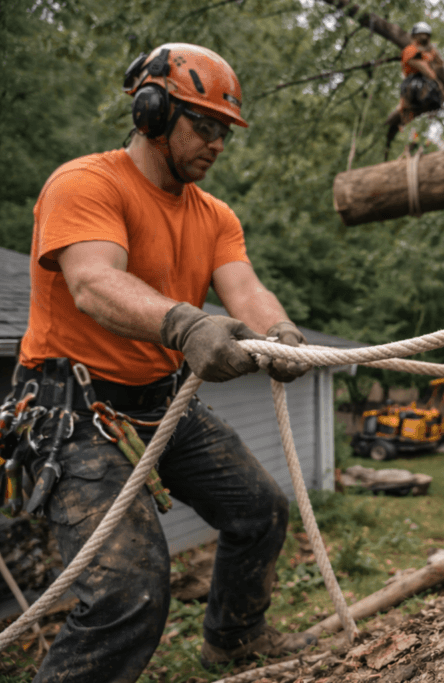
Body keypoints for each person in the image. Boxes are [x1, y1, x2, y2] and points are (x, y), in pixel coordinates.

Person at [10, 43, 317, 682]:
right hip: (76, 412)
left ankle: (234, 640)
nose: (217, 144)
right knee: (130, 591)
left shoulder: (214, 215)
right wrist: (184, 322)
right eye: (204, 125)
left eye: (224, 132)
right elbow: (94, 282)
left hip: (160, 400)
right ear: (152, 112)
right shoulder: (85, 184)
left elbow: (246, 290)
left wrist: (279, 332)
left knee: (260, 512)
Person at [385, 22, 444, 155]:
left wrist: (434, 53)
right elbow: (423, 68)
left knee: (432, 104)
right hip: (414, 82)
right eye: (421, 34)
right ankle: (407, 138)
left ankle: (423, 140)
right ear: (414, 36)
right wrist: (439, 85)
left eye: (426, 35)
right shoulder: (410, 50)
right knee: (421, 95)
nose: (424, 37)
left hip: (425, 83)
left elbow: (441, 65)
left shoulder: (428, 53)